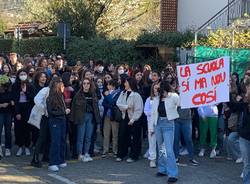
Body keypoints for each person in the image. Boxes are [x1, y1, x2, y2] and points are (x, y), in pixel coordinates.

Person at [150, 81, 179, 183]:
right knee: (161, 148)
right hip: (158, 124)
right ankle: (162, 169)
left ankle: (173, 174)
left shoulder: (174, 96)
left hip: (168, 124)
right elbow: (153, 114)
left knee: (169, 150)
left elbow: (181, 103)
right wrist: (151, 128)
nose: (158, 91)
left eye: (159, 89)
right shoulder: (157, 99)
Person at [71, 78, 101, 162]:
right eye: (84, 83)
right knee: (81, 136)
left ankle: (86, 153)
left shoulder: (93, 94)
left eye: (88, 83)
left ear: (90, 84)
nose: (86, 85)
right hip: (81, 117)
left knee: (88, 136)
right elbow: (74, 107)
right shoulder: (78, 94)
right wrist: (73, 119)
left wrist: (97, 118)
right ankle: (80, 154)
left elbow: (96, 108)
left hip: (91, 116)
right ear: (82, 85)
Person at [116, 77, 143, 162]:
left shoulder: (136, 95)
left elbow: (139, 109)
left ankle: (134, 155)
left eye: (126, 82)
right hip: (124, 118)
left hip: (134, 119)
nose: (124, 84)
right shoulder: (122, 93)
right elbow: (118, 104)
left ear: (130, 83)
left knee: (135, 138)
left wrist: (133, 120)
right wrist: (127, 107)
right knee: (122, 136)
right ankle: (121, 154)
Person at [228, 78, 250, 184]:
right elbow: (232, 106)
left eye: (248, 87)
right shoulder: (245, 104)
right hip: (245, 138)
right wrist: (226, 93)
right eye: (247, 87)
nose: (247, 90)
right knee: (247, 165)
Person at [46, 77, 70, 172]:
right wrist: (64, 112)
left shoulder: (61, 96)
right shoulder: (50, 97)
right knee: (55, 141)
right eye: (60, 84)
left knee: (62, 140)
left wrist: (64, 112)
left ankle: (60, 159)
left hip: (62, 120)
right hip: (55, 121)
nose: (62, 86)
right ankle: (53, 162)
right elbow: (51, 112)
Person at [12, 69, 34, 156]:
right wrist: (17, 112)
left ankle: (27, 146)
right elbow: (14, 99)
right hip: (18, 107)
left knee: (27, 128)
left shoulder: (30, 85)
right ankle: (20, 146)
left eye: (24, 74)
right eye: (21, 74)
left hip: (27, 108)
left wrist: (25, 92)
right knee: (18, 128)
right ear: (18, 75)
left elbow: (32, 97)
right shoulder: (15, 85)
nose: (23, 75)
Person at [102, 80, 121, 157]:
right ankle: (105, 150)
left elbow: (114, 103)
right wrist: (110, 104)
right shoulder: (108, 93)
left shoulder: (118, 93)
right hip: (107, 115)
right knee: (106, 133)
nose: (107, 86)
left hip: (114, 116)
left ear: (113, 86)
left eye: (109, 85)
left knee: (115, 134)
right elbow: (103, 103)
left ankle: (115, 150)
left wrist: (108, 96)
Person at [144, 83, 159, 168]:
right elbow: (146, 111)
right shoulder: (149, 99)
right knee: (152, 142)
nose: (156, 90)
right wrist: (154, 113)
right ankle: (152, 159)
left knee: (162, 143)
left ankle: (162, 159)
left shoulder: (163, 99)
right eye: (155, 88)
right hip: (151, 124)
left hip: (161, 123)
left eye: (158, 88)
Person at [0, 75, 14, 157]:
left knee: (8, 130)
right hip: (0, 112)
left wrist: (9, 103)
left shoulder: (10, 90)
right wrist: (1, 105)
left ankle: (8, 147)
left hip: (8, 112)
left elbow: (12, 99)